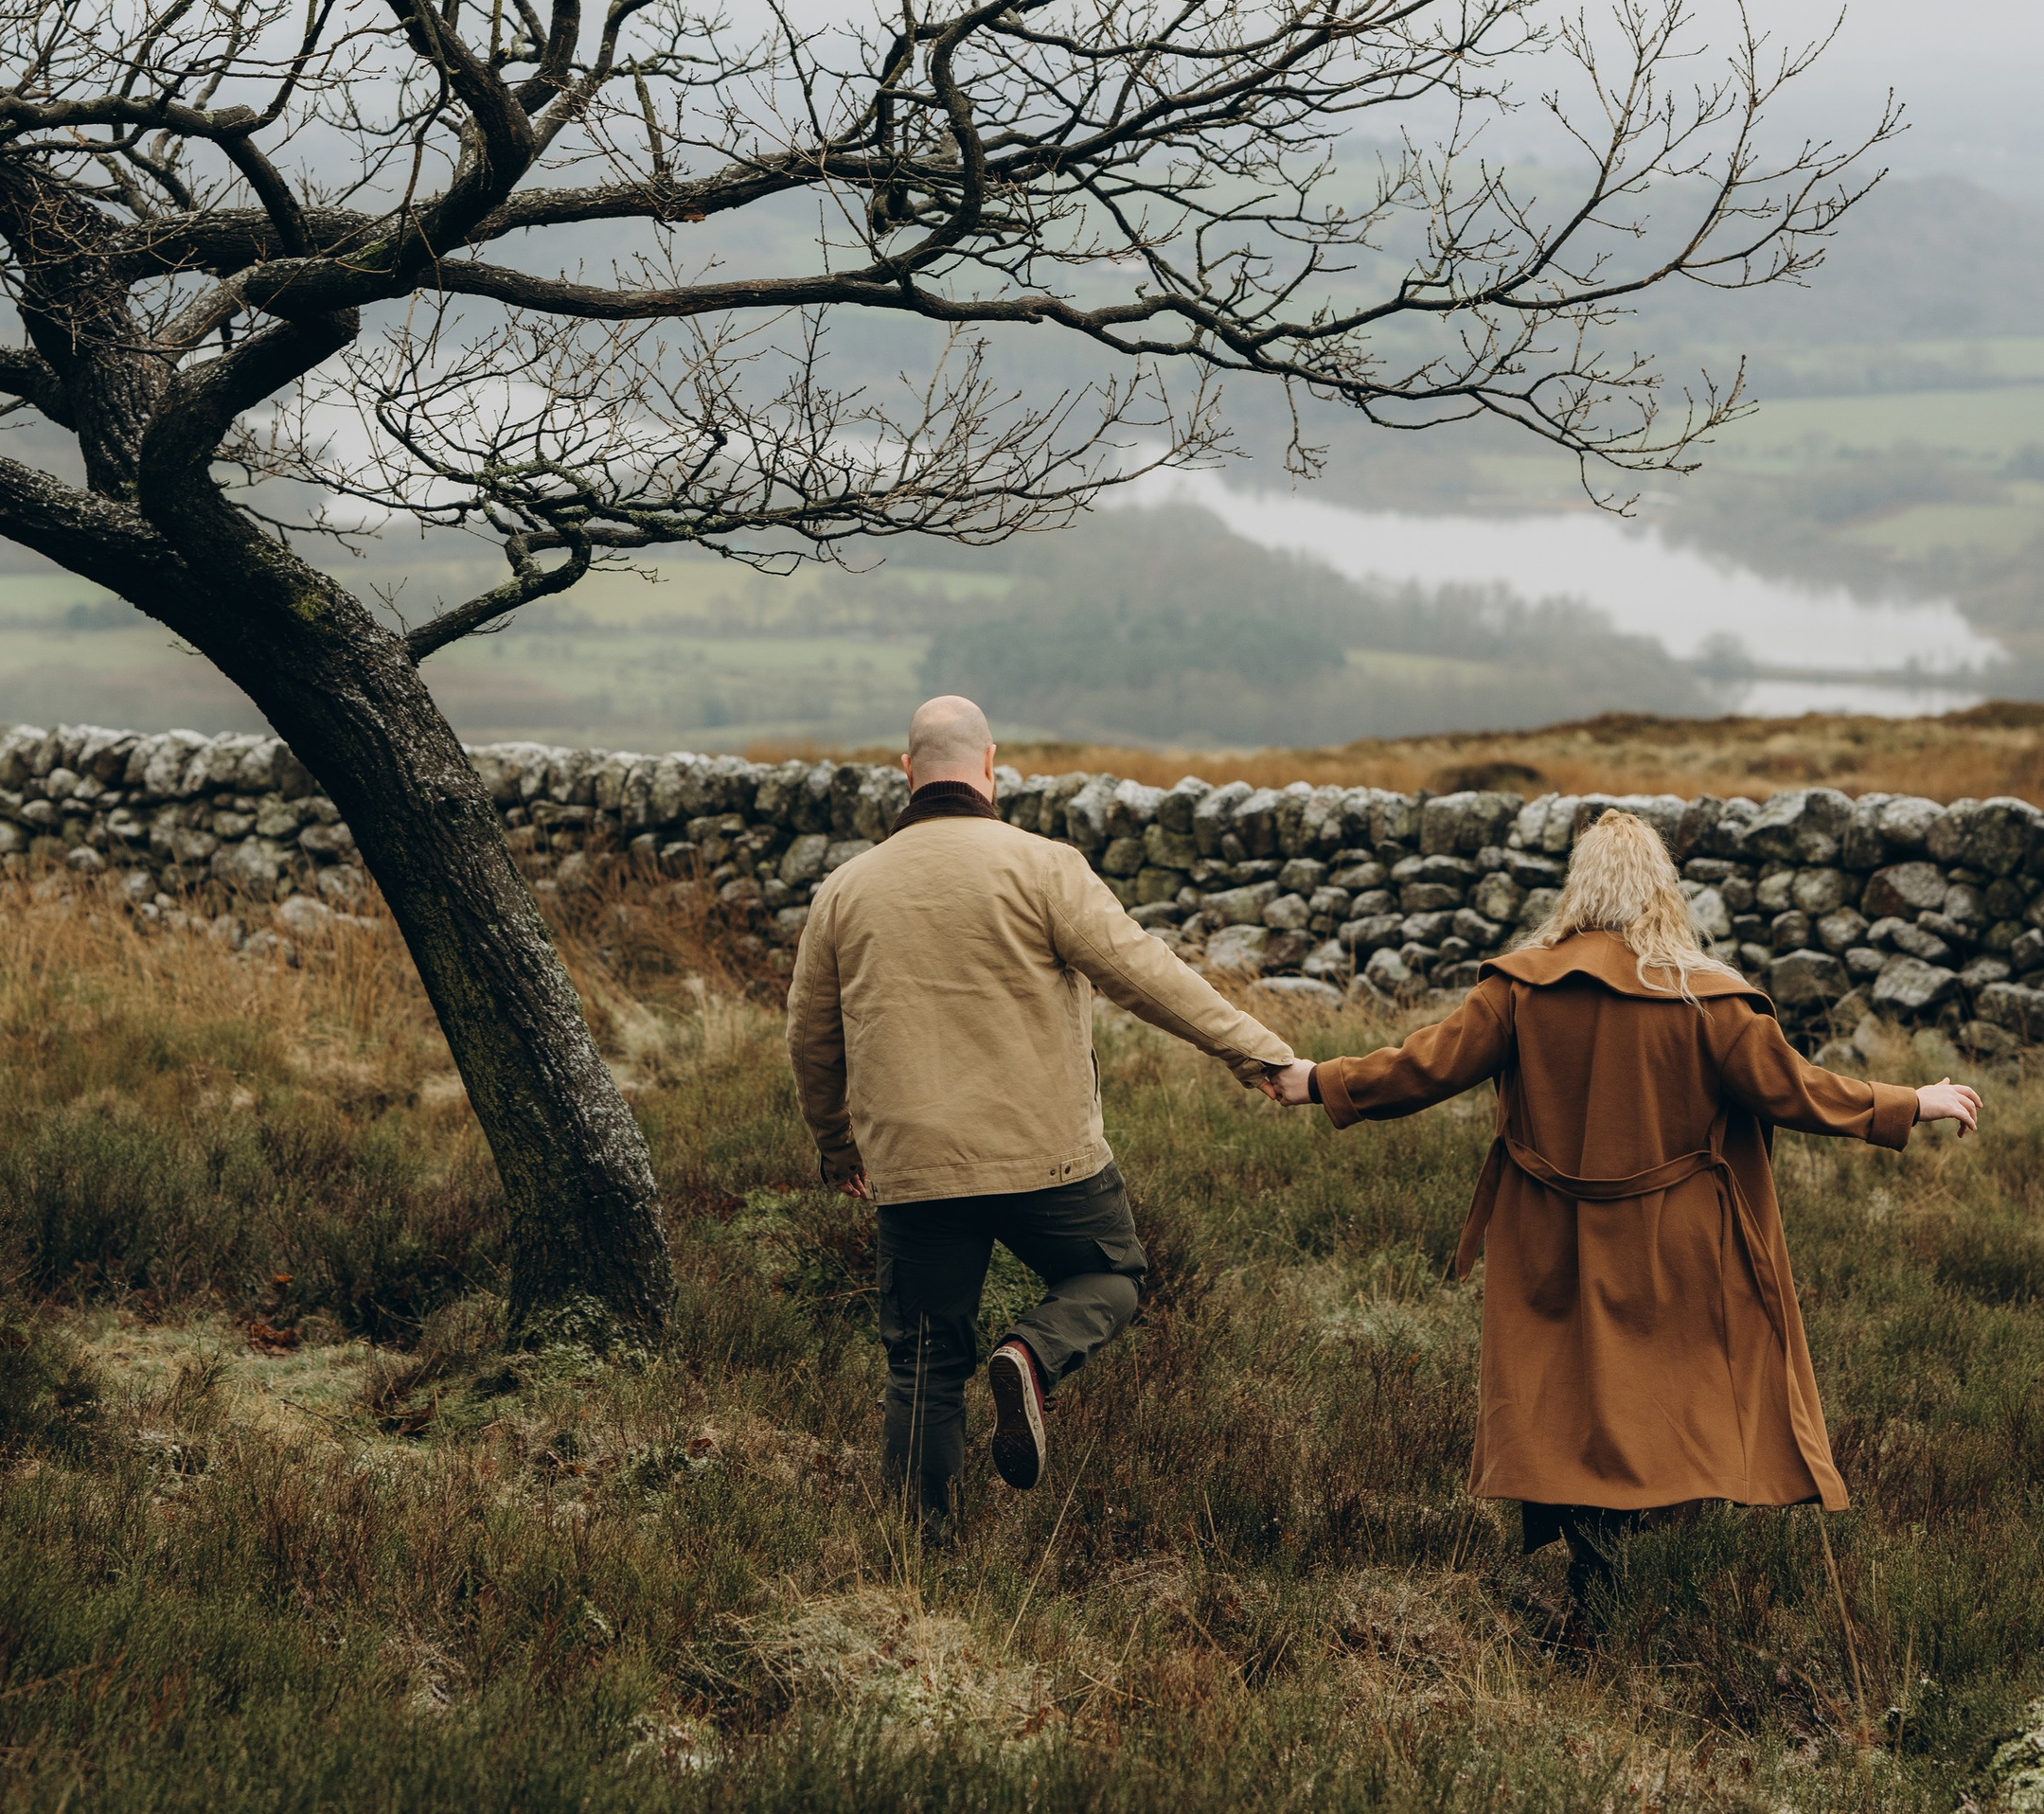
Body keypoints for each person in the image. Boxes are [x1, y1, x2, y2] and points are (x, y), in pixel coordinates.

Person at [1267, 807, 1982, 1621]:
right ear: (1662, 890)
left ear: (1581, 887)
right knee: (1672, 1402)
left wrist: (1319, 1077)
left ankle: (1595, 1575)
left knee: (1567, 1407)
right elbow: (1797, 1088)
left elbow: (1421, 1066)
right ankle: (1635, 1574)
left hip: (1549, 1233)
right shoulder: (1708, 999)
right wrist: (1910, 1100)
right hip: (1675, 1238)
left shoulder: (1520, 987)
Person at [785, 694, 1299, 1531]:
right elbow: (1149, 975)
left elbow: (809, 1039)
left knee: (924, 1361)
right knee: (1112, 1274)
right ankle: (1032, 1352)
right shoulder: (1045, 867)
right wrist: (1260, 1053)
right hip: (1048, 1160)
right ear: (991, 766)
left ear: (907, 772)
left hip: (914, 1168)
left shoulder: (845, 890)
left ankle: (922, 1561)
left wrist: (837, 1147)